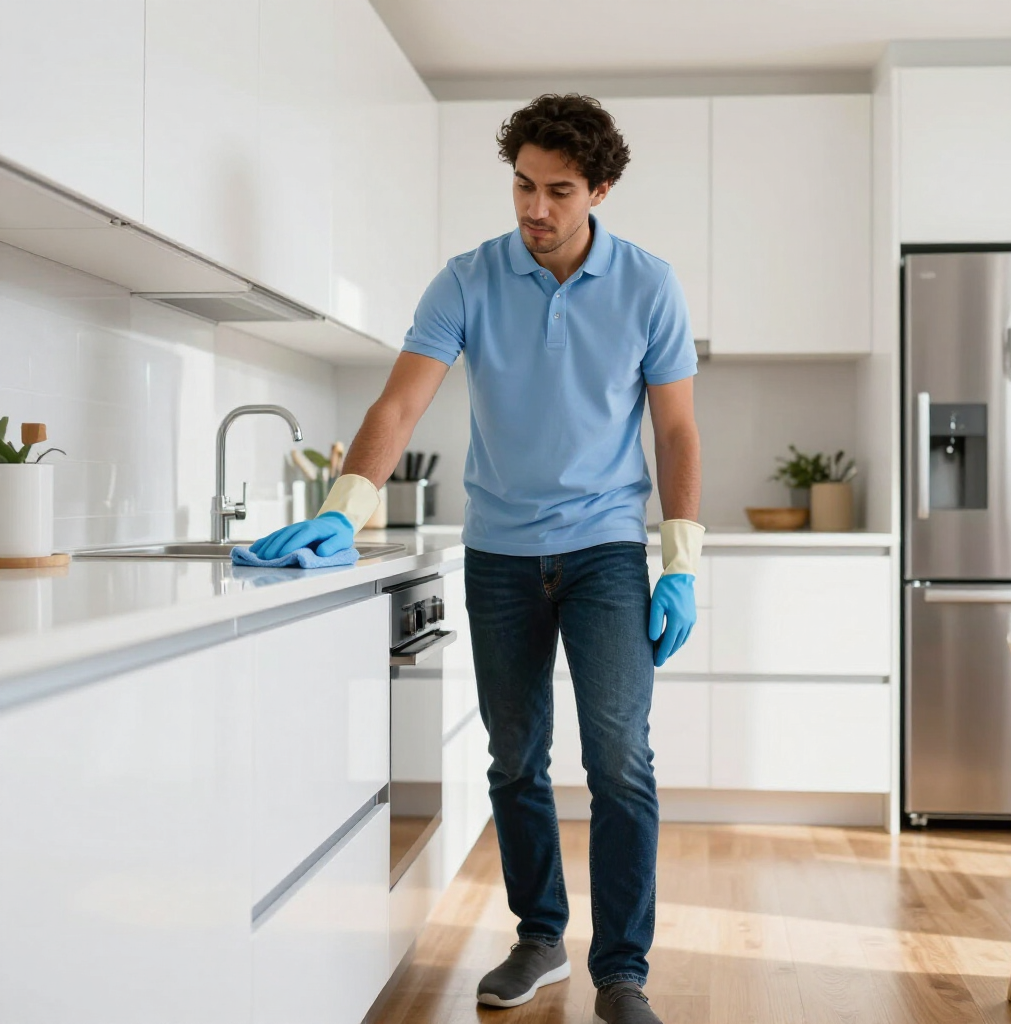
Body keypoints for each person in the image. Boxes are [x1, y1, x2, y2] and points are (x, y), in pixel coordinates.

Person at [250, 93, 703, 1024]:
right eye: (523, 186)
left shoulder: (649, 285)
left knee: (619, 759)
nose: (535, 209)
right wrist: (346, 509)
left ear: (601, 190)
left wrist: (682, 559)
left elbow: (678, 429)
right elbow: (398, 407)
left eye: (558, 191)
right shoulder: (468, 279)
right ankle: (541, 936)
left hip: (607, 550)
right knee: (515, 756)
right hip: (498, 554)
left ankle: (622, 972)